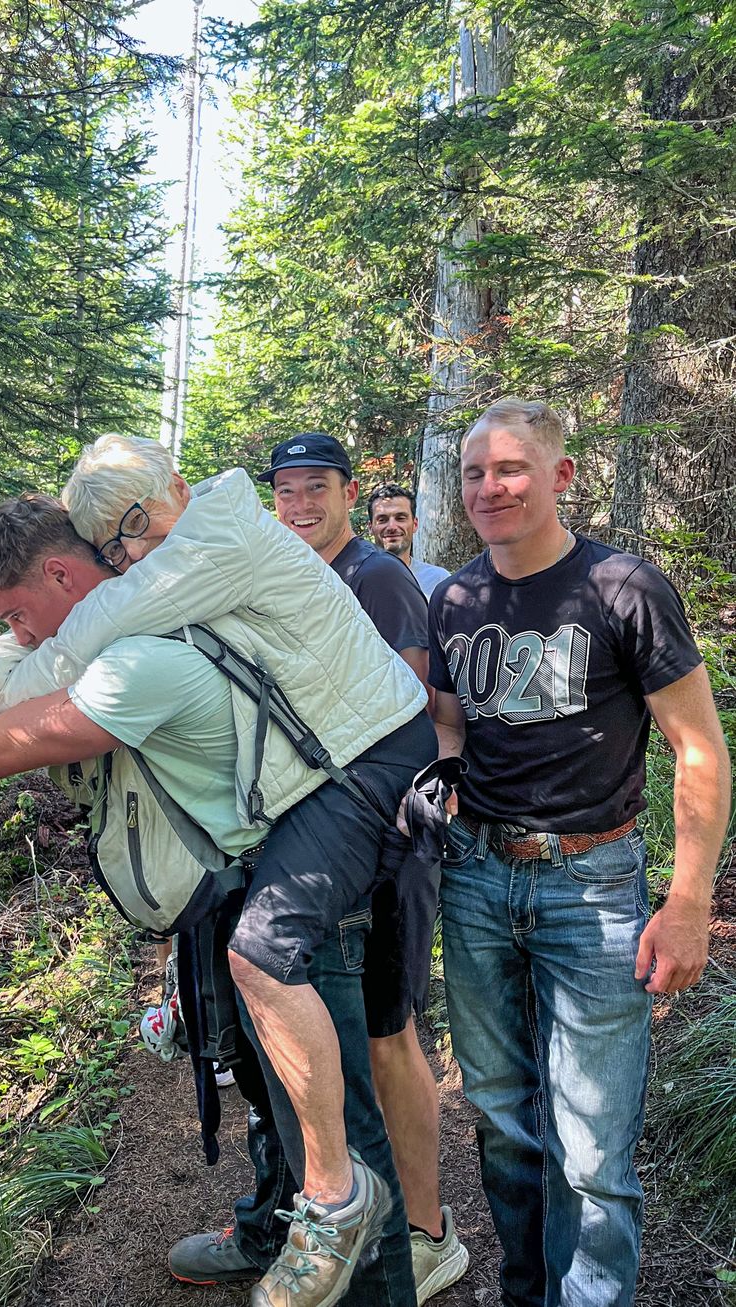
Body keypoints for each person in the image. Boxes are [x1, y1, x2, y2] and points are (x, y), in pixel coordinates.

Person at [0, 477, 435, 1307]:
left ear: (62, 578)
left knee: (336, 1137)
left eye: (16, 614)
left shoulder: (139, 655)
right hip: (239, 878)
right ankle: (276, 1228)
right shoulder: (99, 623)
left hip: (302, 873)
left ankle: (358, 1267)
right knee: (271, 1098)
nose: (15, 636)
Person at [418, 398, 731, 1307]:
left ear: (560, 476)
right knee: (506, 1122)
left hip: (592, 885)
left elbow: (701, 748)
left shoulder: (624, 588)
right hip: (476, 879)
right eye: (475, 473)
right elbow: (449, 719)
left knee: (592, 1148)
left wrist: (685, 902)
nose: (490, 487)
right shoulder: (456, 598)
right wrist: (440, 788)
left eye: (511, 469)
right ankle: (529, 1290)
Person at [255, 433, 466, 1301]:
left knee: (388, 1033)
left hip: (384, 833)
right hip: (325, 837)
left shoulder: (375, 576)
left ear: (347, 493)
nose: (300, 504)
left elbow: (403, 705)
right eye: (286, 491)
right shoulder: (292, 574)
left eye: (316, 489)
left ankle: (427, 1232)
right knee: (351, 1034)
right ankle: (345, 1216)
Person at [366, 483, 449, 599]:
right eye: (382, 520)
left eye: (400, 518)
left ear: (415, 524)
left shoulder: (439, 580)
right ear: (370, 527)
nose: (392, 527)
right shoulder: (358, 579)